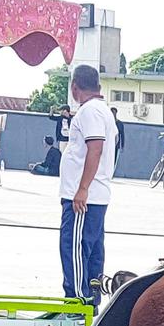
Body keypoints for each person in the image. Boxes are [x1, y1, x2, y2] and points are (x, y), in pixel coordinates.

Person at [58, 64, 116, 305]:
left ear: (74, 87)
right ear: (99, 87)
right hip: (94, 194)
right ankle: (89, 300)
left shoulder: (89, 111)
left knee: (74, 248)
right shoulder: (102, 111)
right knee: (90, 249)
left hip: (84, 196)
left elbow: (96, 148)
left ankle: (77, 302)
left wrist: (82, 189)